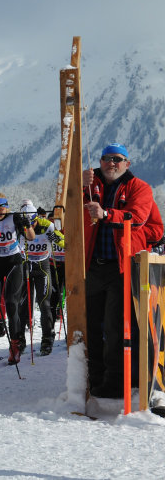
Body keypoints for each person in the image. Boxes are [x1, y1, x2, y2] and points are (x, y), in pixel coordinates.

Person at [81, 144, 164, 399]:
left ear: (127, 163)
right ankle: (93, 379)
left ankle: (116, 383)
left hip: (123, 267)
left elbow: (138, 219)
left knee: (118, 328)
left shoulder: (139, 187)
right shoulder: (88, 184)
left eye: (118, 159)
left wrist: (106, 214)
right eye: (107, 159)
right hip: (91, 266)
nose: (111, 163)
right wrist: (78, 185)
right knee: (90, 326)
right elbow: (66, 207)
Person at [0, 193, 33, 364]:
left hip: (14, 263)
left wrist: (27, 225)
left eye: (1, 208)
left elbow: (30, 237)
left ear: (7, 206)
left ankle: (15, 345)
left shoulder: (14, 217)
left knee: (11, 303)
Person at [23, 203, 61, 356]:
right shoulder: (21, 228)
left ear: (36, 218)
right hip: (26, 266)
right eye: (27, 223)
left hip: (43, 267)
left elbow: (62, 241)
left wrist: (59, 237)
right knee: (23, 303)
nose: (29, 226)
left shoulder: (47, 227)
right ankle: (19, 338)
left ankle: (47, 338)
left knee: (44, 303)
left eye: (32, 221)